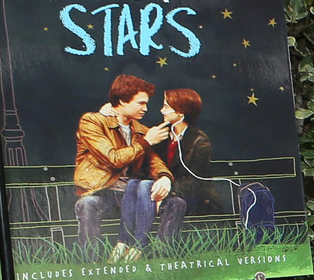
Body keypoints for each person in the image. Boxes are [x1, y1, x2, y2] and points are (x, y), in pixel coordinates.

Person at [73, 73, 181, 260]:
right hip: (104, 192)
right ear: (122, 101)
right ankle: (91, 264)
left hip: (132, 195)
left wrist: (164, 177)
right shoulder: (92, 122)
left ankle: (162, 260)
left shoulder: (141, 130)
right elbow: (112, 158)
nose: (145, 109)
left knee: (176, 203)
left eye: (146, 103)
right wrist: (146, 141)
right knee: (87, 204)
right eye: (140, 103)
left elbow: (153, 160)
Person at [147, 88, 221, 220]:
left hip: (192, 201)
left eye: (165, 107)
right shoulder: (160, 135)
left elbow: (197, 181)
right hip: (162, 195)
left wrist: (166, 190)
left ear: (180, 111)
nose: (161, 111)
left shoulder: (199, 141)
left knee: (176, 204)